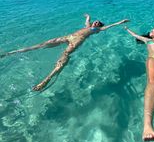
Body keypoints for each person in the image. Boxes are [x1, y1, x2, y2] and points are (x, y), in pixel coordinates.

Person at [1, 14, 129, 91]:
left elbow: (110, 26)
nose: (96, 22)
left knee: (64, 56)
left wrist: (121, 22)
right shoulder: (88, 26)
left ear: (99, 26)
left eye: (98, 23)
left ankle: (45, 80)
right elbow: (86, 21)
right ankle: (11, 53)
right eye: (95, 21)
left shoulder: (98, 29)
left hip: (76, 41)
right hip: (68, 37)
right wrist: (88, 17)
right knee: (43, 44)